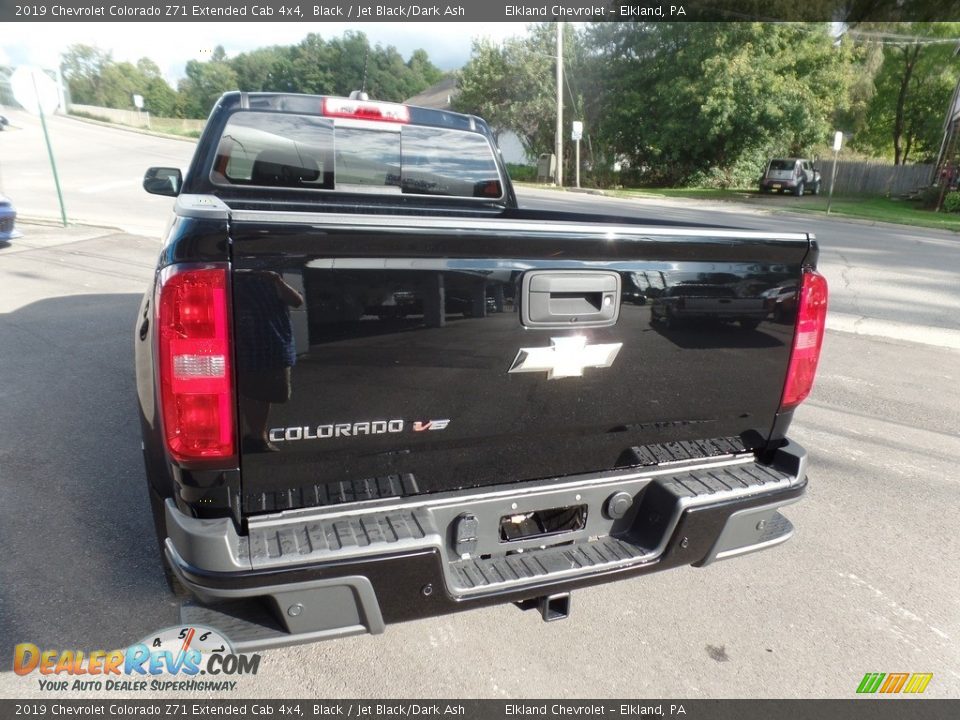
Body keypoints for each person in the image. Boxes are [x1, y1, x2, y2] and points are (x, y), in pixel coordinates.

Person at [233, 269, 304, 452]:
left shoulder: (272, 277)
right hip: (241, 343)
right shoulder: (229, 275)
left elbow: (297, 301)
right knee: (241, 393)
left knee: (264, 393)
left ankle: (258, 437)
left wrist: (276, 280)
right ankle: (242, 439)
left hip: (271, 344)